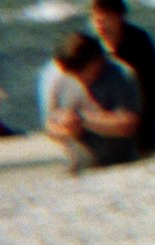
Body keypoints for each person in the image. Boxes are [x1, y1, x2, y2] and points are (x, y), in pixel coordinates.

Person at [43, 32, 145, 173]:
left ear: (98, 61)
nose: (78, 78)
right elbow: (50, 126)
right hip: (77, 166)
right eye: (73, 74)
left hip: (121, 165)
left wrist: (82, 120)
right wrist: (65, 129)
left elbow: (128, 125)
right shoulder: (57, 77)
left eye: (82, 72)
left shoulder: (122, 75)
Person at [91, 0, 155, 156]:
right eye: (96, 21)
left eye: (105, 20)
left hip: (139, 119)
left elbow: (150, 90)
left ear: (119, 18)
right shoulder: (93, 47)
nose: (100, 27)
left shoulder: (139, 43)